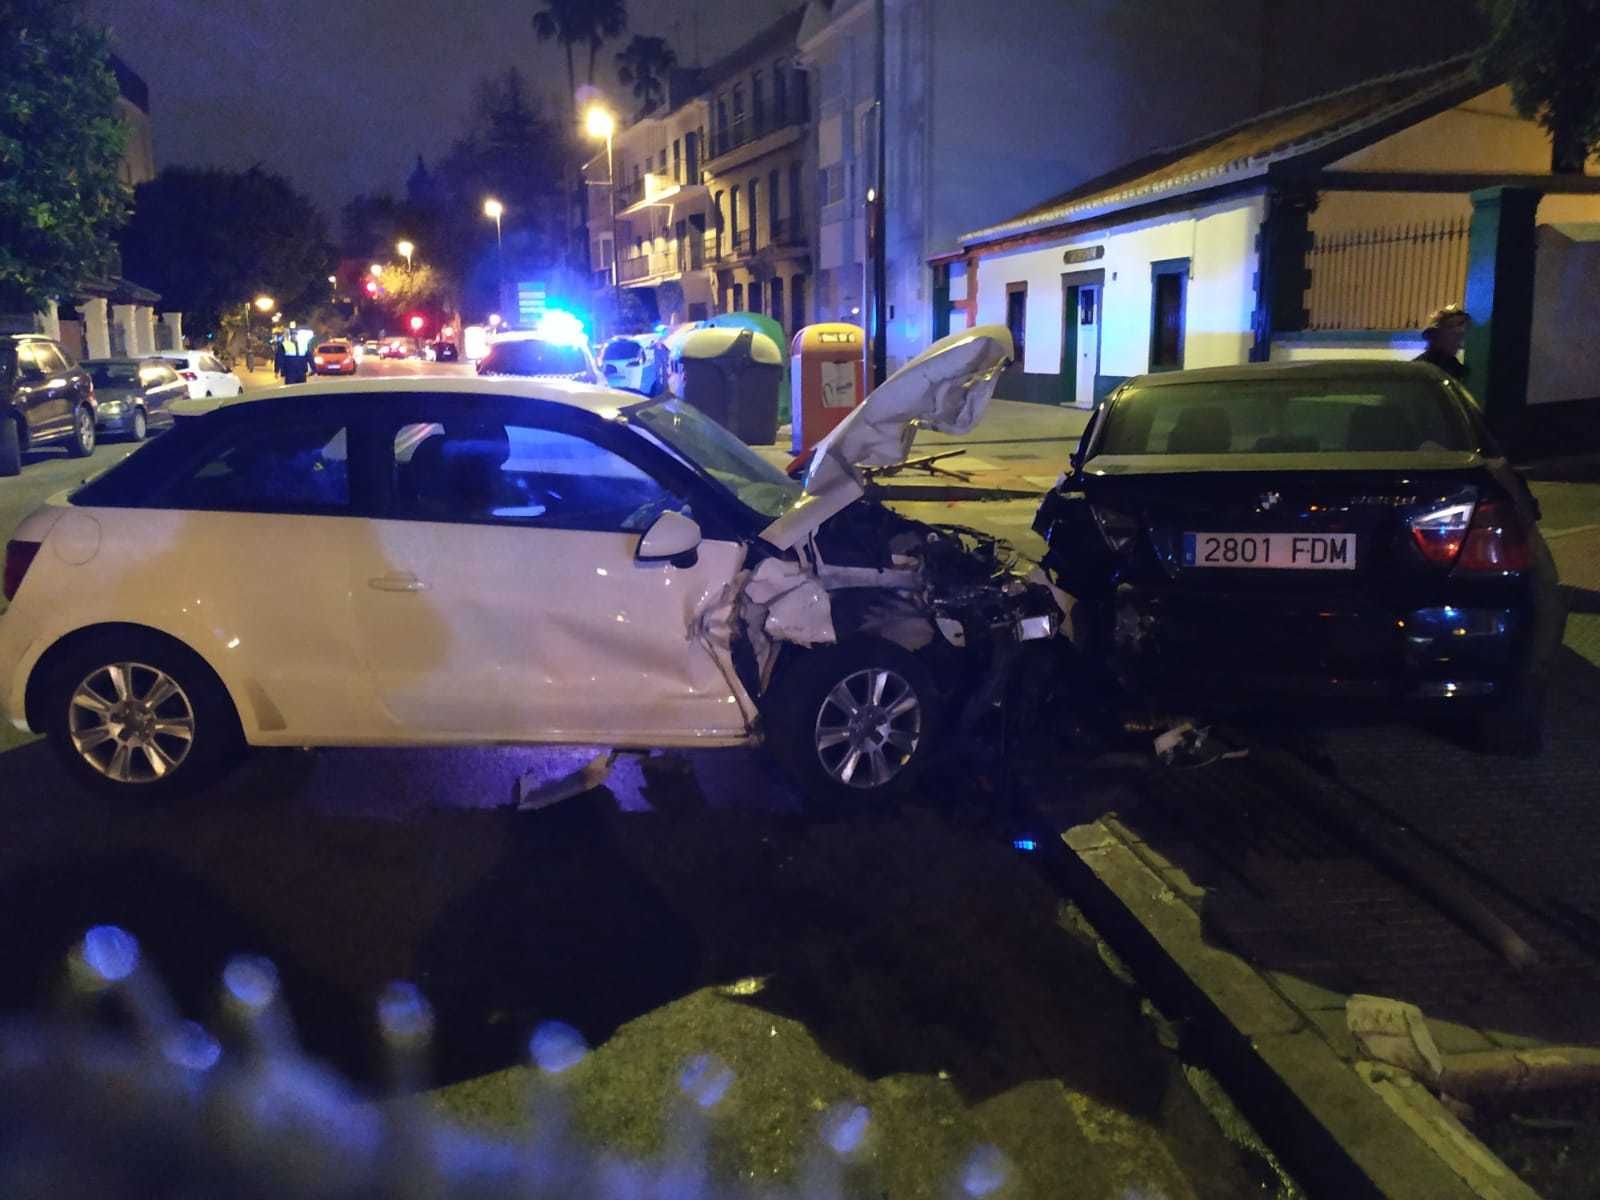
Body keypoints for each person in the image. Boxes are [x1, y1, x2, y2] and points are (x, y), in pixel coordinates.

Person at [1415, 304, 1470, 383]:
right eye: (1451, 327)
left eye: (1460, 336)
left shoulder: (1458, 370)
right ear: (1435, 334)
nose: (1458, 338)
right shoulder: (1418, 370)